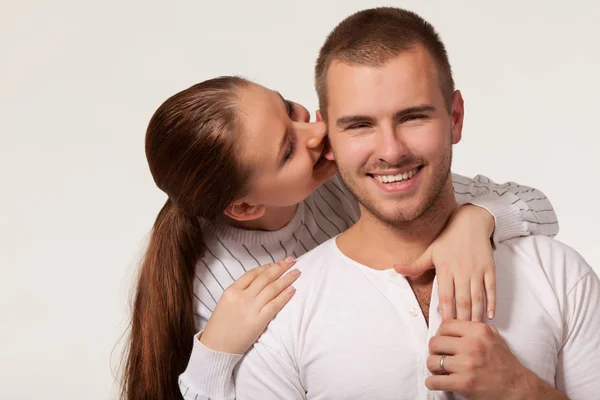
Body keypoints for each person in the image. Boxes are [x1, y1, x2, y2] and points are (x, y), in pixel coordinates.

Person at [121, 44, 559, 400]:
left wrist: (476, 219)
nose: (316, 133)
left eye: (291, 110)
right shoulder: (223, 283)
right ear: (245, 207)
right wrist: (215, 352)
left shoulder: (345, 178)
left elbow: (539, 209)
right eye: (288, 151)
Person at [232, 7, 600, 400]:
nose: (391, 151)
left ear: (455, 117)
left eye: (413, 117)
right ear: (330, 137)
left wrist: (522, 391)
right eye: (359, 125)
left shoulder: (559, 275)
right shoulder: (284, 311)